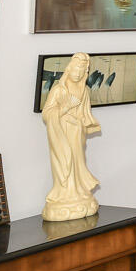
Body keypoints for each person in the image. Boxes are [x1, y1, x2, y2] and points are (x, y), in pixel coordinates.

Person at [42, 53, 103, 221]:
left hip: (77, 133)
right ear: (69, 69)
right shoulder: (58, 90)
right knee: (64, 162)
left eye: (82, 69)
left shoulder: (84, 90)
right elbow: (47, 113)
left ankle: (78, 192)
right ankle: (64, 194)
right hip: (62, 133)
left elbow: (84, 113)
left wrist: (82, 123)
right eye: (76, 68)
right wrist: (65, 108)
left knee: (77, 161)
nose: (78, 72)